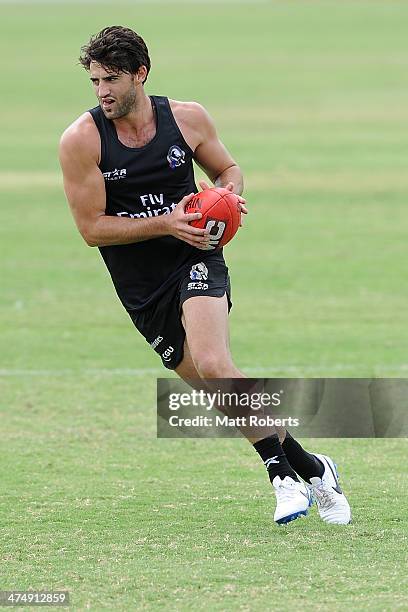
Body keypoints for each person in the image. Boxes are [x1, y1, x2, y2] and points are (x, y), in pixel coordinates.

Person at [59, 25, 351, 525]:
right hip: (139, 284)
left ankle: (283, 480)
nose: (102, 91)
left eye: (111, 79)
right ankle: (313, 467)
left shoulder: (187, 119)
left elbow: (227, 169)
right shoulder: (82, 140)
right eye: (95, 81)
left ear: (140, 74)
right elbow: (91, 228)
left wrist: (229, 196)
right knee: (220, 391)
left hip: (196, 256)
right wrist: (165, 221)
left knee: (217, 364)